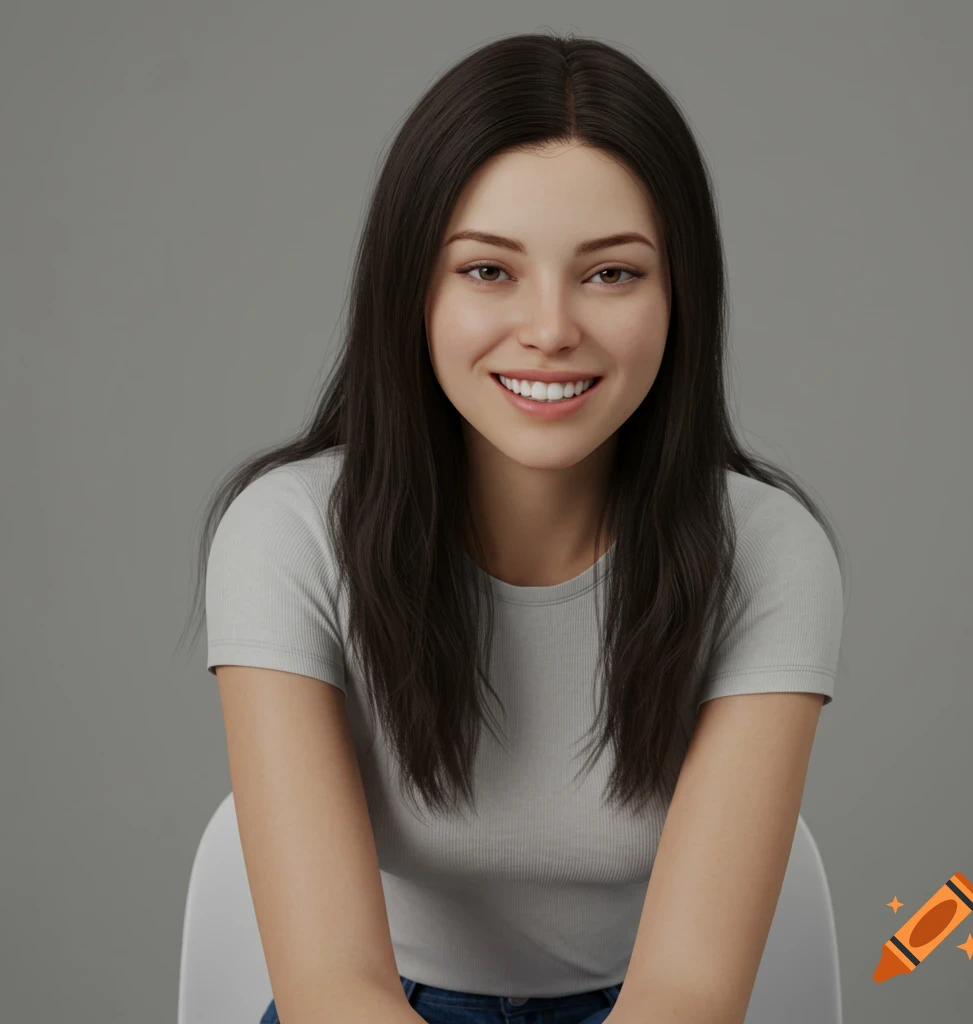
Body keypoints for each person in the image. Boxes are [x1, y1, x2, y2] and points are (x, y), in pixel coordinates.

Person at [180, 30, 847, 1024]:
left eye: (610, 273)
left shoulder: (766, 551)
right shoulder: (286, 534)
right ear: (414, 289)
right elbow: (331, 989)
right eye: (488, 271)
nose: (549, 328)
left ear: (680, 296)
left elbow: (689, 992)